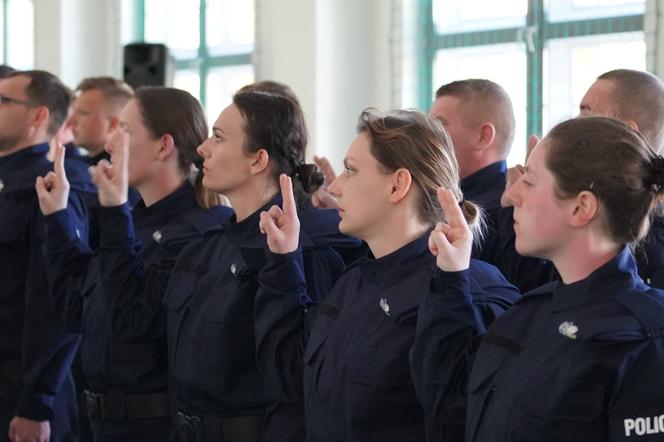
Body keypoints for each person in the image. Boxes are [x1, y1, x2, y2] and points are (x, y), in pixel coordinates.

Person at [257, 109, 520, 441]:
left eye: (351, 170)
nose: (336, 186)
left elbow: (463, 420)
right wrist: (283, 261)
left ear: (398, 185)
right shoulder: (355, 282)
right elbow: (290, 376)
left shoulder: (473, 293)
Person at [414, 116, 664, 441]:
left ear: (581, 207)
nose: (513, 194)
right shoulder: (527, 315)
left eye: (529, 182)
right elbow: (451, 402)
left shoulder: (646, 339)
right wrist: (451, 275)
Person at [35, 87, 231, 441]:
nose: (110, 146)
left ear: (163, 145)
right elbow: (75, 310)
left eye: (124, 131)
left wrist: (114, 215)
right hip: (98, 422)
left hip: (151, 427)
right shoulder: (133, 221)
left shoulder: (198, 233)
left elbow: (134, 323)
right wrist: (58, 218)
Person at [165, 90, 354, 442]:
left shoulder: (304, 250)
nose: (202, 149)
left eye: (218, 138)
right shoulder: (211, 245)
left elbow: (301, 384)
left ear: (257, 161)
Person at [0, 70, 95, 442]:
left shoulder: (52, 184)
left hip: (23, 390)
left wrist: (37, 400)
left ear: (38, 116)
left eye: (4, 100)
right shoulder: (9, 183)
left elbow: (56, 304)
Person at [430, 79, 553, 292]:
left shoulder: (509, 212)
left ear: (483, 136)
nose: (428, 136)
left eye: (439, 125)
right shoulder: (440, 198)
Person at [578, 69, 664, 287]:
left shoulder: (647, 237)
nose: (574, 124)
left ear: (627, 132)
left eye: (587, 113)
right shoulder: (586, 207)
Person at [68, 76, 134, 165]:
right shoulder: (77, 164)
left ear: (113, 125)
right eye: (74, 111)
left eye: (83, 112)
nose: (71, 121)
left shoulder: (122, 175)